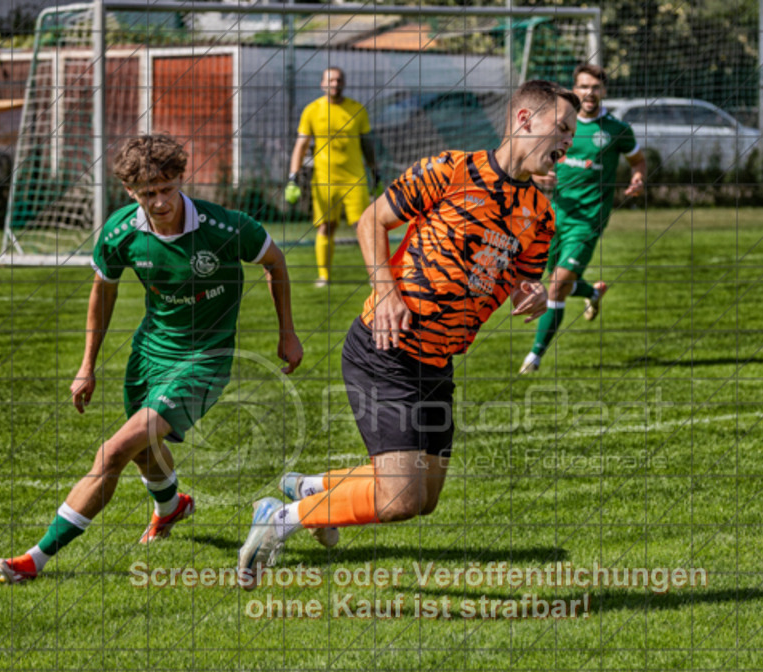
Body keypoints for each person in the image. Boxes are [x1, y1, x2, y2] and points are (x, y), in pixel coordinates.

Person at [237, 80, 579, 587]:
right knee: (400, 500)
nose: (568, 143)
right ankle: (278, 520)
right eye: (563, 129)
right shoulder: (448, 170)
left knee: (426, 500)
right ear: (526, 120)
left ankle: (311, 489)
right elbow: (372, 220)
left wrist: (528, 294)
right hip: (386, 350)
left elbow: (521, 278)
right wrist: (388, 290)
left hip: (438, 364)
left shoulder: (541, 218)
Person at [0, 134, 303, 584]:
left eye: (166, 189)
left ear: (181, 178)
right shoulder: (120, 233)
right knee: (144, 452)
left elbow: (275, 262)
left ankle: (33, 560)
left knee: (113, 450)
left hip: (206, 359)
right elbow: (103, 292)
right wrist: (87, 365)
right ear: (130, 193)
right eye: (147, 194)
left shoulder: (226, 228)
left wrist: (287, 333)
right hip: (150, 354)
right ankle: (172, 507)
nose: (159, 202)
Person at [519, 64, 647, 375]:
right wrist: (540, 177)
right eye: (583, 86)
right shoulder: (561, 126)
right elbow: (535, 162)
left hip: (588, 221)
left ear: (604, 91)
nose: (589, 93)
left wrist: (638, 177)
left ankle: (534, 357)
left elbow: (638, 160)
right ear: (574, 90)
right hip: (553, 216)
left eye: (596, 87)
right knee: (555, 282)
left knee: (556, 286)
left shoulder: (617, 130)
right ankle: (591, 292)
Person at [285, 67, 381, 287]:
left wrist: (376, 171)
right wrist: (292, 177)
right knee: (326, 226)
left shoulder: (357, 110)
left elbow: (367, 144)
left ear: (343, 83)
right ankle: (324, 276)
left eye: (338, 80)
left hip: (355, 179)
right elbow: (301, 145)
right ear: (322, 84)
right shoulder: (312, 110)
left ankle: (375, 276)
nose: (335, 84)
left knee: (364, 226)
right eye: (330, 80)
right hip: (324, 180)